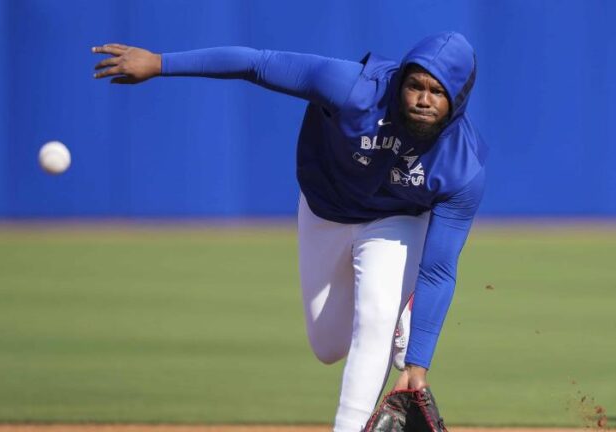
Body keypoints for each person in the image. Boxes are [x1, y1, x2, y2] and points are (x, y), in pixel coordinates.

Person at [92, 32, 486, 432]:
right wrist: (160, 63)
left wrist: (418, 365)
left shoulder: (461, 167)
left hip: (396, 220)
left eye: (438, 91)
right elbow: (258, 63)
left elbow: (438, 270)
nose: (423, 99)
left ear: (457, 99)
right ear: (400, 81)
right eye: (415, 86)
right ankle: (401, 306)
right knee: (327, 346)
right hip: (325, 210)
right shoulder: (354, 87)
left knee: (376, 317)